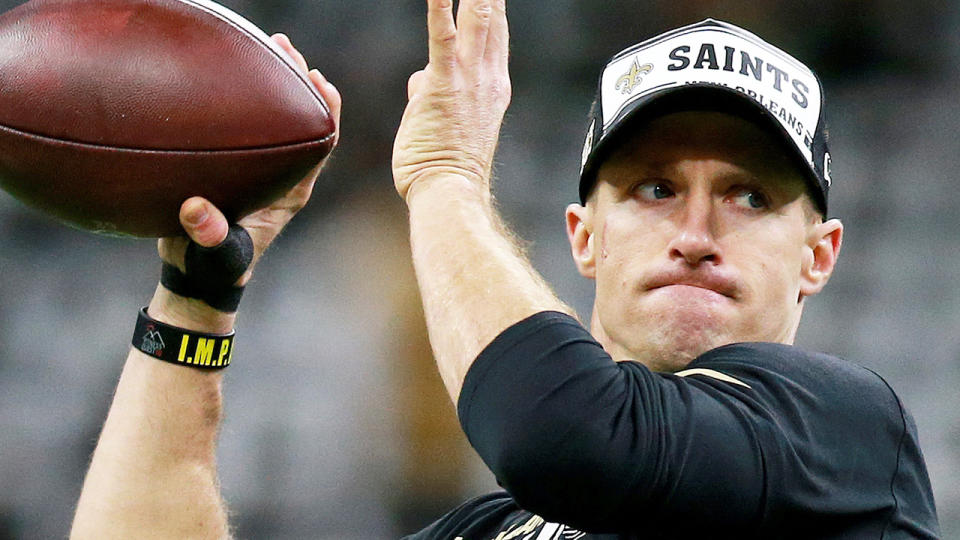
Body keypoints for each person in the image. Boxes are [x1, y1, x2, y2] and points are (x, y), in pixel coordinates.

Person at [70, 2, 940, 540]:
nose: (697, 231)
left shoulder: (847, 440)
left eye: (750, 196)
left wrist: (444, 172)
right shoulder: (492, 531)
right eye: (653, 188)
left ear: (818, 256)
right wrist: (196, 301)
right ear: (583, 237)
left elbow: (566, 434)